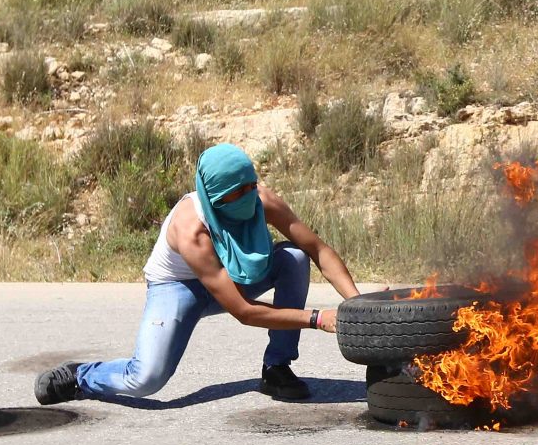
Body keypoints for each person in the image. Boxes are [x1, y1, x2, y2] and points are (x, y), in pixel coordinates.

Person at [34, 143, 360, 405]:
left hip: (231, 276)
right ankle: (83, 376)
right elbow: (243, 312)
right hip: (177, 289)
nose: (250, 195)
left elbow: (320, 250)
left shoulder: (262, 200)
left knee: (294, 256)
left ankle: (277, 368)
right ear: (215, 196)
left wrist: (359, 305)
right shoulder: (191, 230)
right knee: (146, 378)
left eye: (251, 185)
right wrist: (317, 318)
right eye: (238, 192)